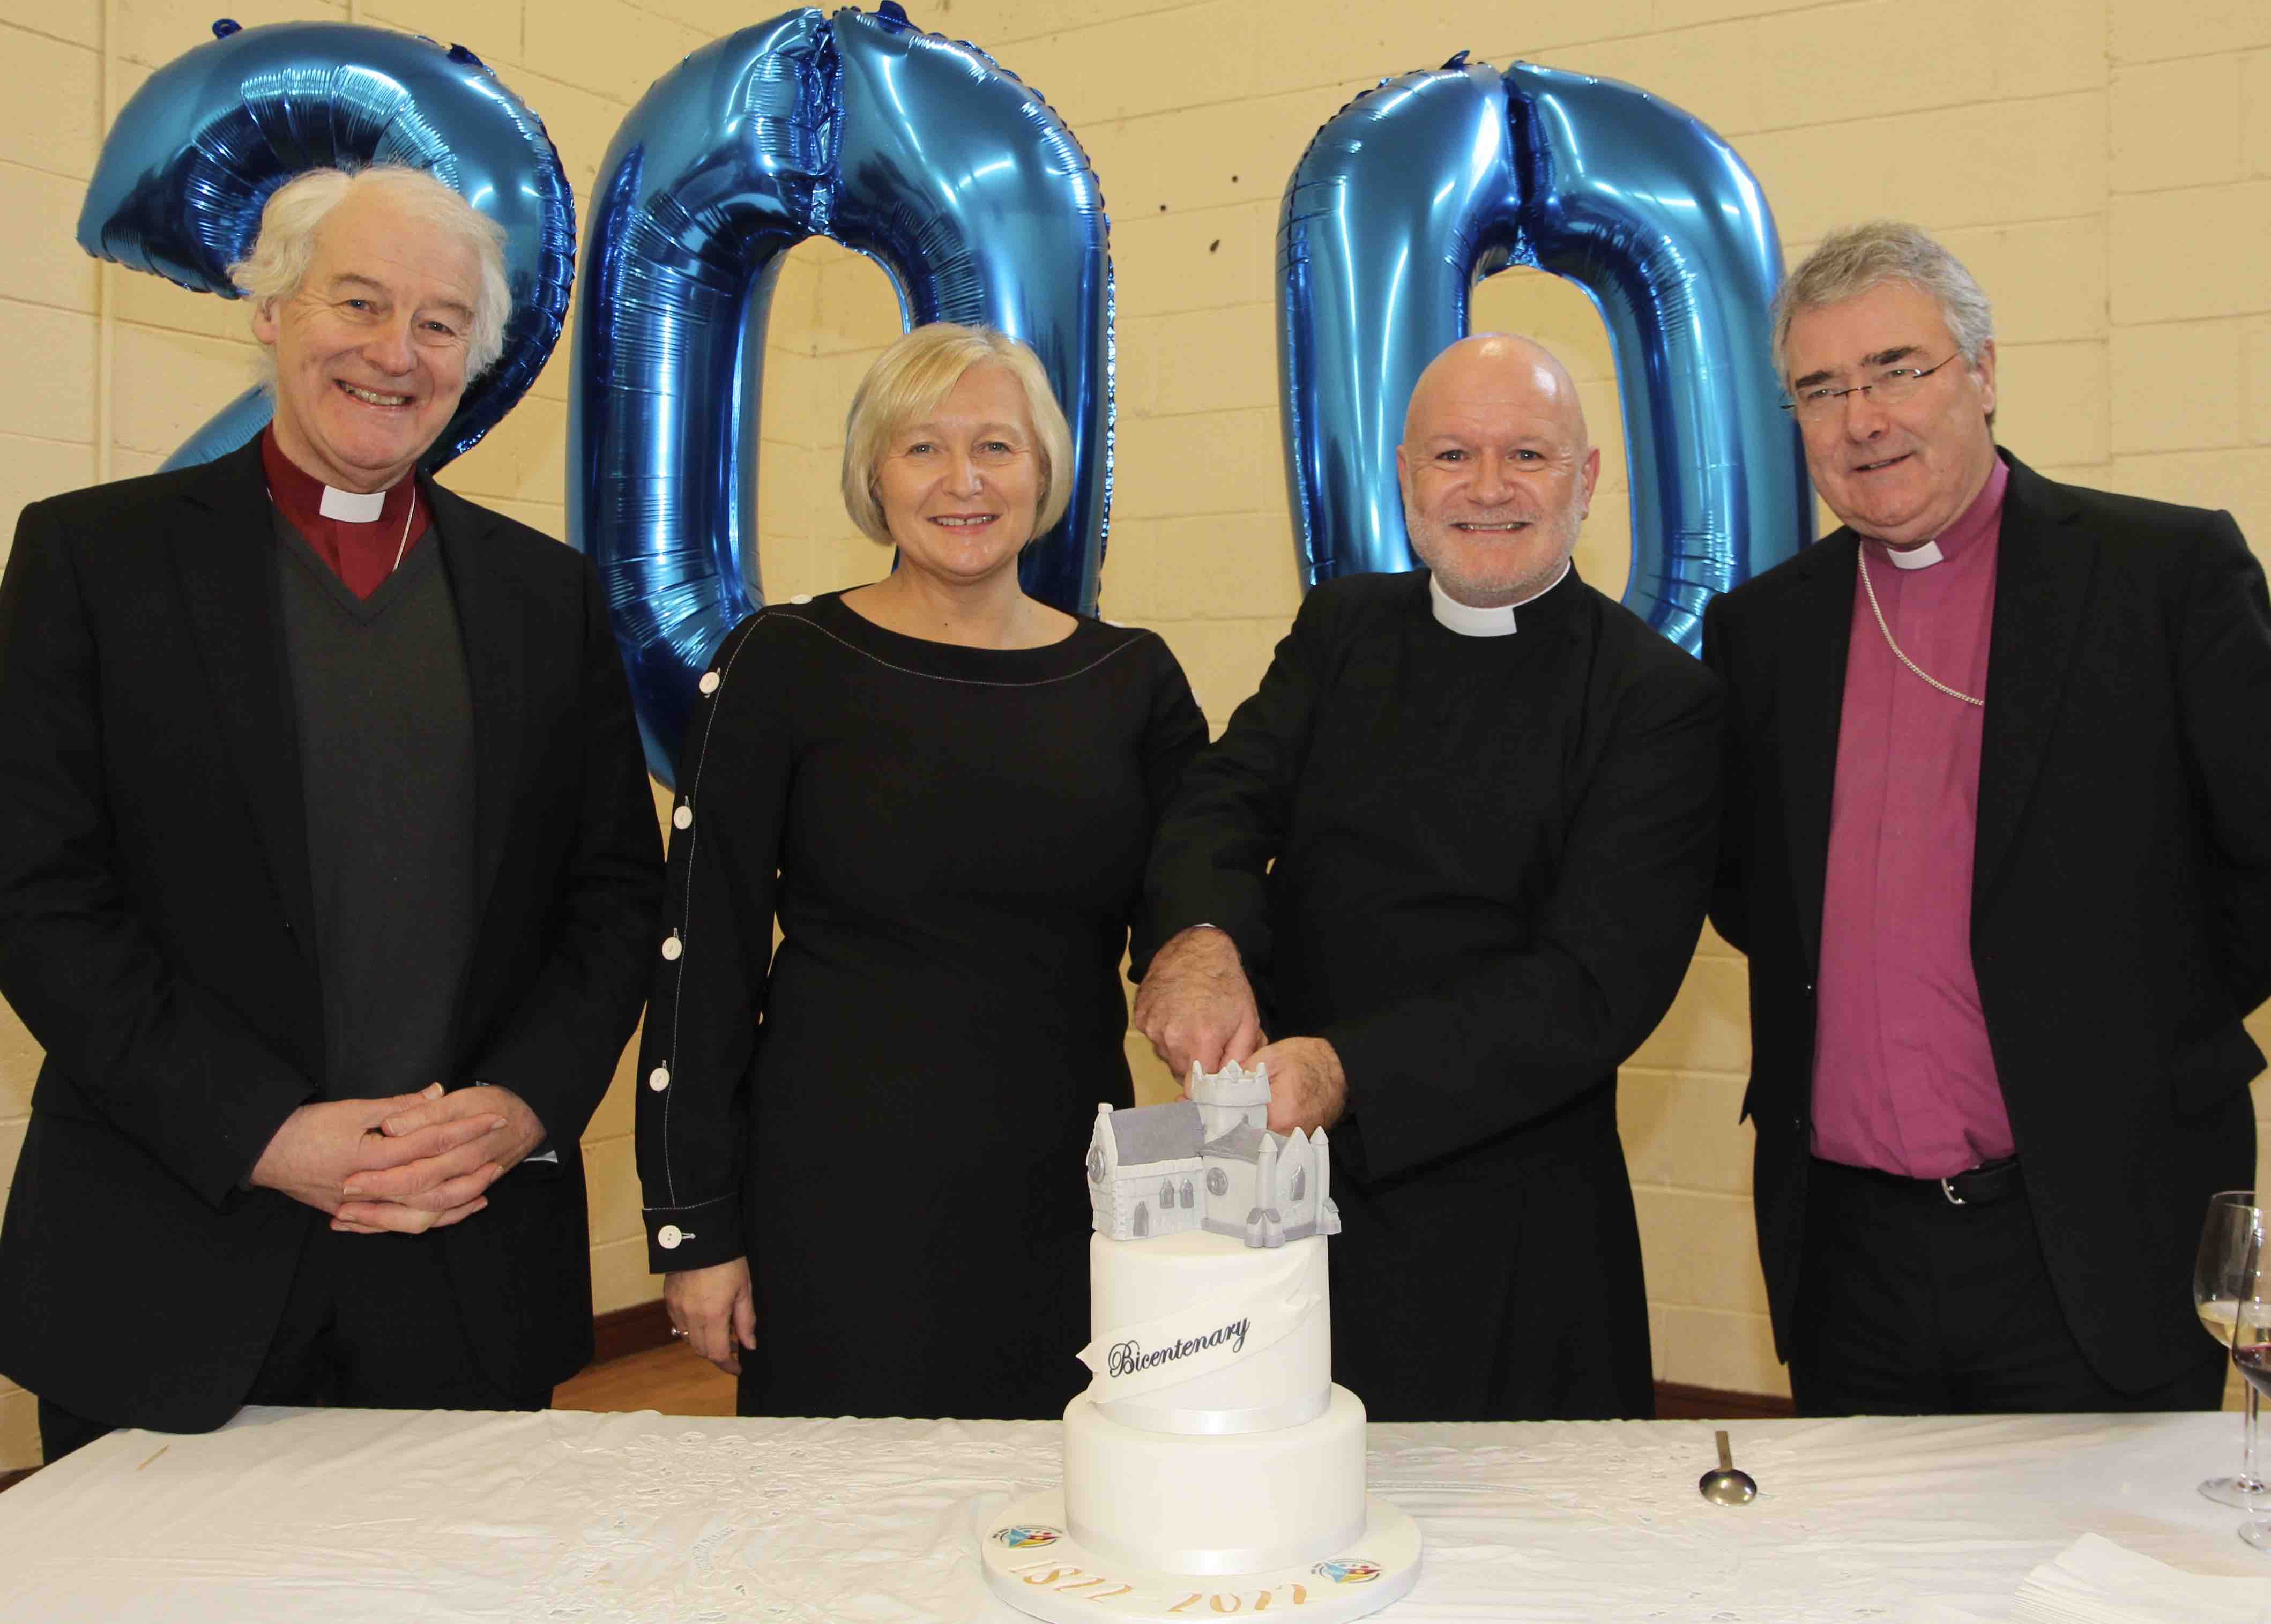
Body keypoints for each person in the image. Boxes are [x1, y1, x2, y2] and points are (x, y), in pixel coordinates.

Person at [0, 165, 663, 1462]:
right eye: (357, 302)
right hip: (165, 1257)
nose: (393, 353)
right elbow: (37, 895)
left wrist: (522, 1106)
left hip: (466, 1259)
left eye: (436, 323)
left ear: (473, 358)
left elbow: (614, 896)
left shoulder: (546, 597)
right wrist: (261, 1130)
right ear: (271, 310)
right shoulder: (92, 562)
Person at [1703, 221, 2271, 1415]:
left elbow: (2257, 860)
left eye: (1899, 370)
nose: (1863, 419)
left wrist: (2128, 1044)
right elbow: (1754, 898)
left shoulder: (2159, 576)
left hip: (2092, 1227)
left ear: (1984, 373)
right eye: (1821, 389)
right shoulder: (1762, 632)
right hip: (1848, 1250)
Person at [1133, 334, 1723, 1421]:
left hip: (1513, 1221)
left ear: (1587, 480)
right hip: (1291, 1192)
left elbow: (1589, 987)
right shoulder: (1344, 627)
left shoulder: (1656, 700)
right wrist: (1196, 939)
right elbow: (1221, 799)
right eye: (1453, 456)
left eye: (1529, 457)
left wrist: (1346, 1069)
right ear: (1406, 476)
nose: (1487, 489)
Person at [639, 323, 1207, 1419]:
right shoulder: (783, 663)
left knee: (1065, 1522)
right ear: (873, 475)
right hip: (838, 1202)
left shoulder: (1129, 680)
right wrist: (694, 1228)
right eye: (922, 449)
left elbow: (1199, 912)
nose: (963, 482)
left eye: (997, 447)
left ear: (1044, 471)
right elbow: (701, 959)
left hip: (1069, 1193)